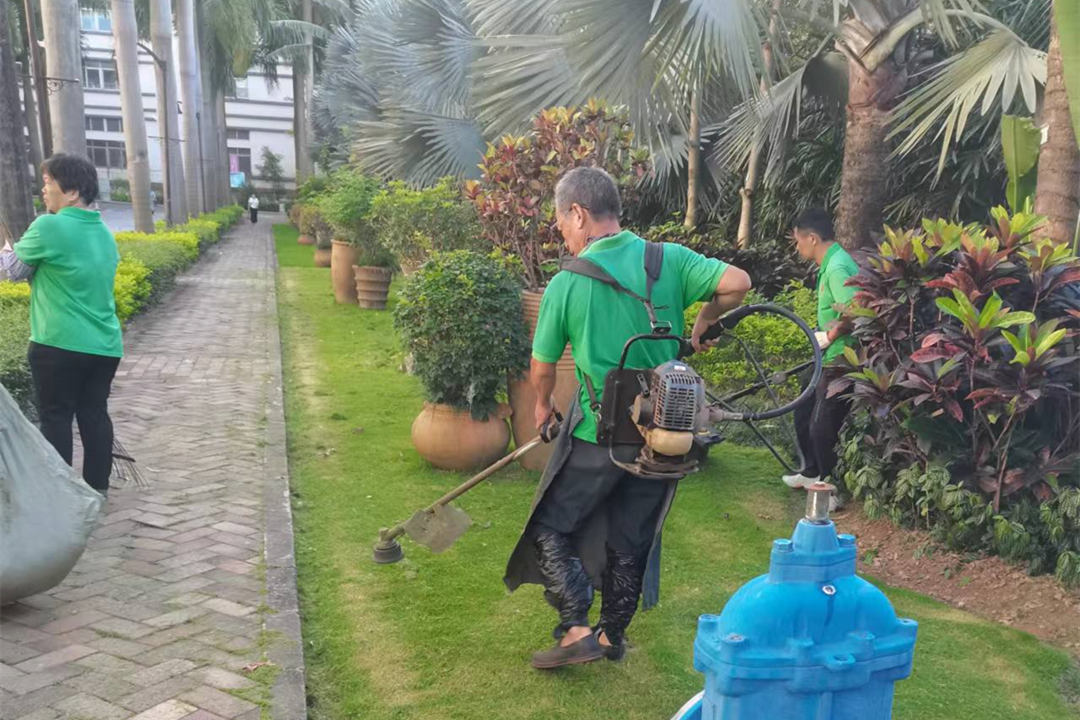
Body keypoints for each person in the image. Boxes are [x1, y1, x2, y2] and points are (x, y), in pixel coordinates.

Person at [503, 167, 752, 669]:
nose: (564, 235)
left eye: (562, 223)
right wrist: (704, 322)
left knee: (550, 526)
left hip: (601, 435)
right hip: (665, 437)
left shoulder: (567, 283)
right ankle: (613, 636)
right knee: (632, 540)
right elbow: (737, 282)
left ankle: (576, 625)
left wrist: (540, 406)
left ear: (579, 213)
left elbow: (542, 366)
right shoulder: (669, 259)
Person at [0, 153, 123, 496]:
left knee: (56, 419)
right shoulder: (104, 233)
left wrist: (4, 249)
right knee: (94, 416)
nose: (44, 190)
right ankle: (97, 491)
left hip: (58, 344)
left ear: (71, 192)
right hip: (104, 345)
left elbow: (11, 272)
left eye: (48, 182)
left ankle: (60, 496)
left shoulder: (49, 225)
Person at [782, 207, 858, 492]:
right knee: (803, 404)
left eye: (798, 240)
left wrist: (832, 334)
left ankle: (829, 487)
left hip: (842, 355)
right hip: (828, 352)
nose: (797, 246)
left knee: (822, 425)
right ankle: (811, 471)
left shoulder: (837, 267)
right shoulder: (833, 262)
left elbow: (854, 309)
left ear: (812, 238)